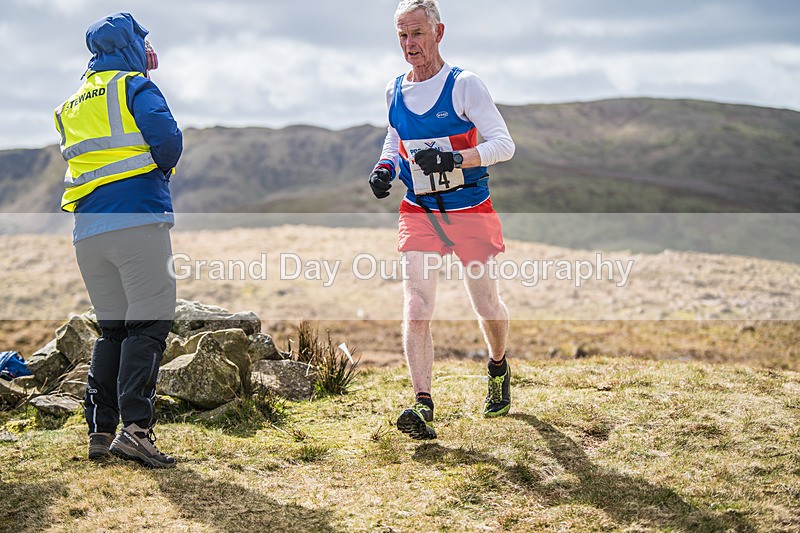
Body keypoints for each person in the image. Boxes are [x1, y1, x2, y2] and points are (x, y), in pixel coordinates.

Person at [369, 0, 515, 439]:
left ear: (439, 32)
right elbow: (395, 137)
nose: (409, 43)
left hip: (469, 209)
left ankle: (498, 366)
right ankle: (423, 403)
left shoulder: (464, 85)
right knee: (416, 303)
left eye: (416, 33)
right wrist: (385, 168)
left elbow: (503, 145)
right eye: (402, 35)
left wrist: (454, 159)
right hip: (420, 210)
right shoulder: (395, 90)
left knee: (485, 304)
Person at [54, 12, 182, 467]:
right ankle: (136, 431)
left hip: (87, 232)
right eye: (142, 43)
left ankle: (100, 430)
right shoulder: (134, 86)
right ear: (129, 46)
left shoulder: (71, 103)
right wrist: (158, 173)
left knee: (112, 330)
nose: (148, 51)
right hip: (137, 222)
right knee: (148, 323)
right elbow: (168, 142)